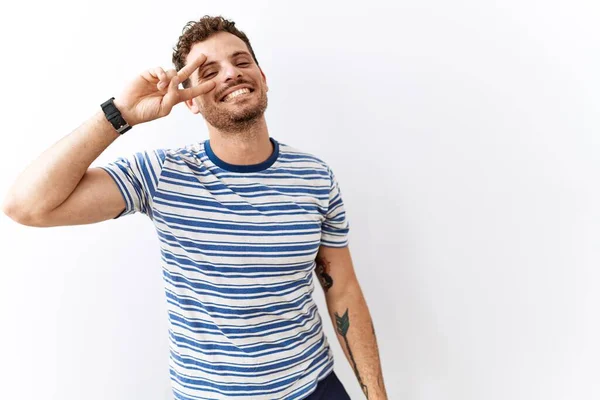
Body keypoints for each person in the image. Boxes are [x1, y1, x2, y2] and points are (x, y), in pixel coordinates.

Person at [3, 15, 387, 400]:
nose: (231, 75)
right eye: (208, 71)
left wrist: (376, 396)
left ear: (263, 76)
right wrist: (120, 113)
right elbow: (26, 206)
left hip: (313, 388)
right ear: (190, 101)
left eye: (241, 62)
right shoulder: (162, 173)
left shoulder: (314, 176)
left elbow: (344, 290)